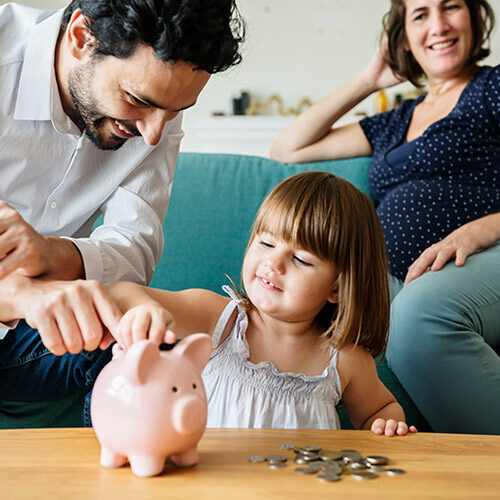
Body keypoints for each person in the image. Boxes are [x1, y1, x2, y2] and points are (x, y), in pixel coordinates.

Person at [269, 0, 500, 434]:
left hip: (485, 253)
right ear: (404, 38)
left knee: (417, 321)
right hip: (402, 275)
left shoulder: (493, 88)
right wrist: (368, 80)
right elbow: (287, 148)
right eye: (420, 15)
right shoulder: (395, 121)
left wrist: (479, 230)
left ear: (474, 17)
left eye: (451, 7)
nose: (438, 25)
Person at [0, 0, 243, 403]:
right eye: (137, 100)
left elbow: (132, 253)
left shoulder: (158, 108)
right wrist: (22, 296)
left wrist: (50, 253)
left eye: (175, 110)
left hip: (34, 340)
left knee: (144, 347)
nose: (152, 135)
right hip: (25, 309)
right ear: (81, 37)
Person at [106, 171, 418, 435]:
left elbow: (380, 409)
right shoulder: (219, 319)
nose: (273, 262)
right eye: (266, 243)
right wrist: (144, 310)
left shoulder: (344, 359)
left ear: (337, 288)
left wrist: (387, 425)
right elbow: (122, 294)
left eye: (300, 259)